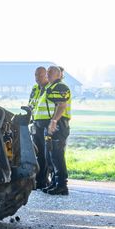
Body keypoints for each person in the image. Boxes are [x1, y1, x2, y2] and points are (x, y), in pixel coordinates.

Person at [43, 65, 72, 195]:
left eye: (52, 72)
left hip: (59, 123)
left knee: (57, 155)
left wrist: (54, 121)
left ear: (59, 75)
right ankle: (55, 183)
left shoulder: (60, 87)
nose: (48, 74)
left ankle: (62, 185)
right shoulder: (52, 86)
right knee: (52, 155)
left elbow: (62, 106)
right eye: (48, 72)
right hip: (54, 123)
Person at [28, 66, 51, 189]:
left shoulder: (50, 88)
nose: (38, 78)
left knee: (46, 153)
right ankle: (38, 179)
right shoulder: (35, 88)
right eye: (36, 75)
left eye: (41, 76)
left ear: (46, 75)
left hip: (47, 123)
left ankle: (44, 180)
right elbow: (32, 103)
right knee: (37, 152)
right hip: (36, 123)